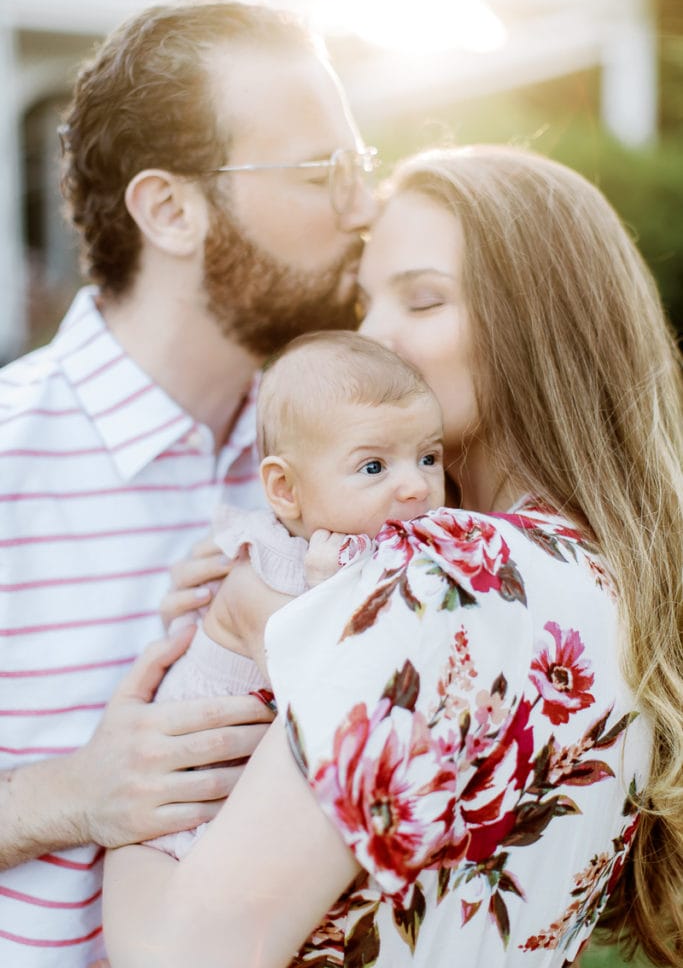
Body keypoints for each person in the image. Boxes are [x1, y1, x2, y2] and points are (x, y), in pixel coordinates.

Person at [103, 145, 683, 968]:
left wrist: (131, 811)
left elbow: (181, 955)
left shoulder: (439, 574)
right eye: (365, 300)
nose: (373, 335)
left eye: (422, 298)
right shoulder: (615, 585)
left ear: (539, 321)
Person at [0, 0, 377, 965]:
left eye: (358, 166)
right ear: (169, 209)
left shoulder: (362, 463)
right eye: (317, 171)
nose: (361, 207)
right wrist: (67, 795)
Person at [146, 329, 445, 861]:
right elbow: (323, 697)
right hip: (187, 812)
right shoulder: (266, 574)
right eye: (373, 467)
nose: (416, 487)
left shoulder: (386, 542)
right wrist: (329, 597)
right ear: (285, 490)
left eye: (428, 457)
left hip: (257, 800)